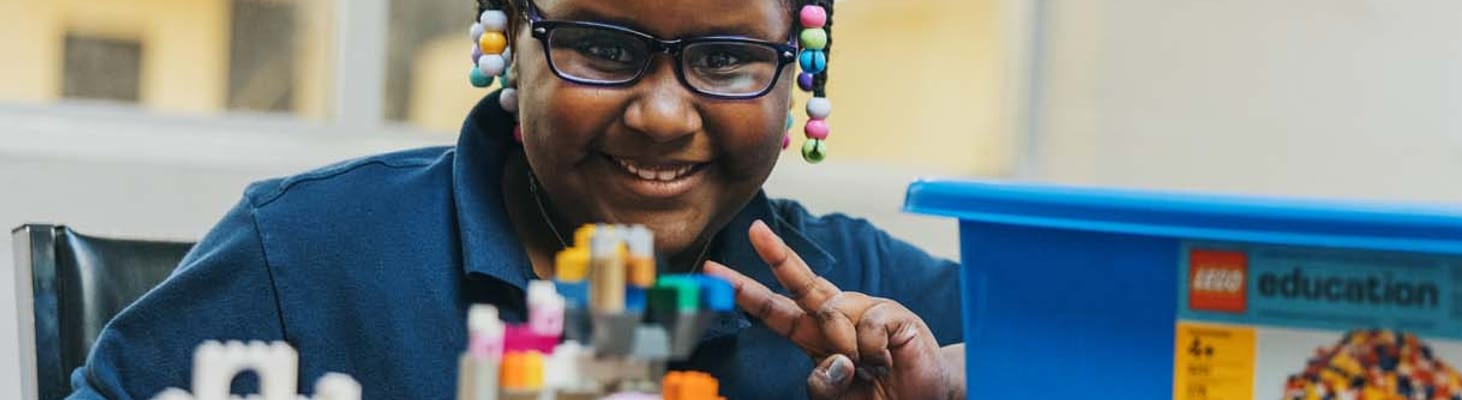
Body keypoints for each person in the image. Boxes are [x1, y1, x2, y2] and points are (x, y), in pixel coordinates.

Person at [66, 0, 965, 398]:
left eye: (727, 59)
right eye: (602, 49)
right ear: (511, 45)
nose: (659, 116)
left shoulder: (873, 299)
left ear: (798, 74)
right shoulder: (301, 255)